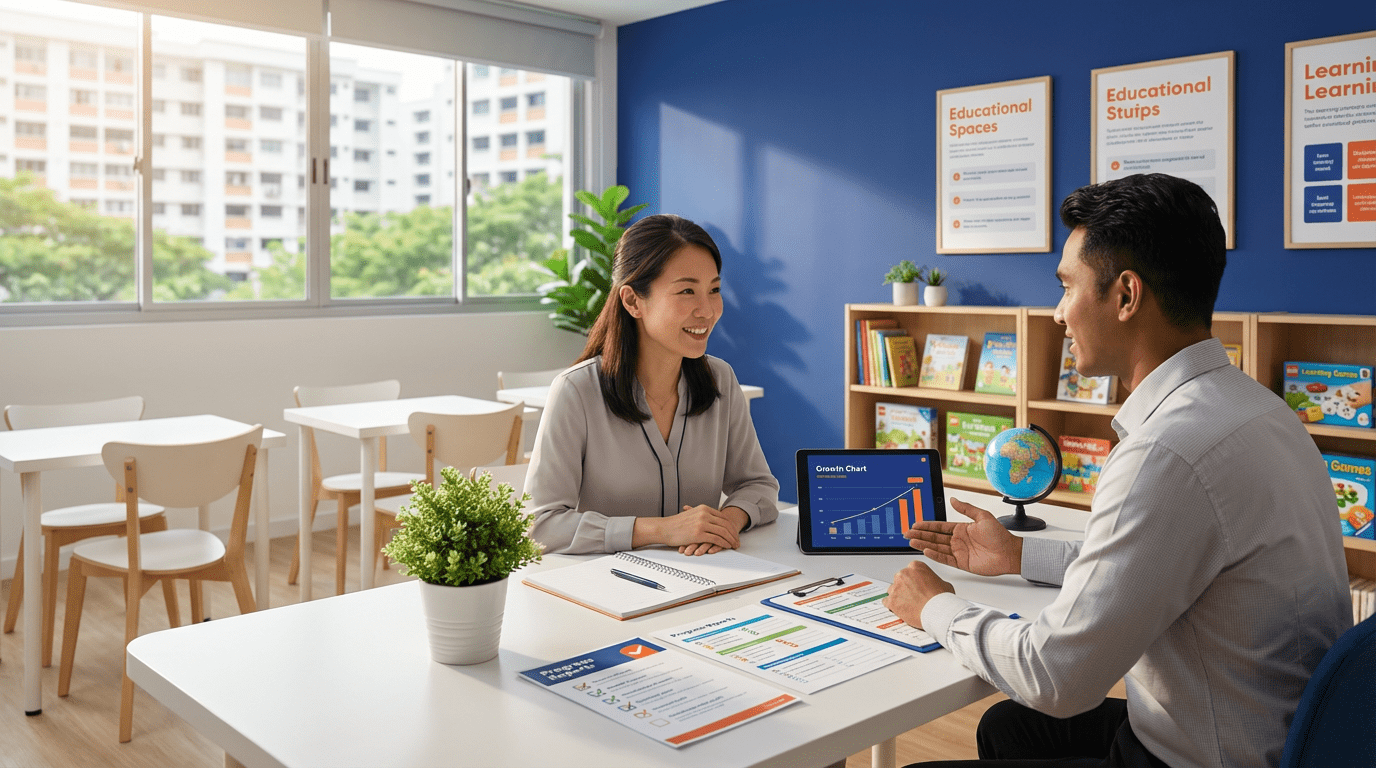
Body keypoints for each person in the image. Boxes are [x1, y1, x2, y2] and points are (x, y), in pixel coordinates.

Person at [883, 174, 1352, 768]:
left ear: (1126, 296)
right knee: (1010, 728)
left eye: (1067, 287)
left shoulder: (1167, 452)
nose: (1057, 313)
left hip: (1203, 758)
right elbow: (1153, 561)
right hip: (1273, 732)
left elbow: (1054, 676)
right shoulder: (1258, 409)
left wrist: (934, 607)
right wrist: (1017, 557)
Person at [525, 214, 779, 555]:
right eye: (687, 291)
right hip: (605, 591)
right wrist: (660, 530)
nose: (707, 310)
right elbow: (541, 524)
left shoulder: (721, 380)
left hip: (707, 579)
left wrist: (725, 522)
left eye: (714, 290)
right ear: (632, 301)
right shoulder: (577, 391)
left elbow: (758, 485)